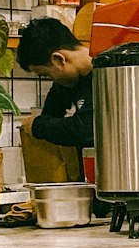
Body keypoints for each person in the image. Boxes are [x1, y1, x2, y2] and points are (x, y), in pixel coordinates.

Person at [16, 17, 94, 150]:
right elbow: (51, 114)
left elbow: (86, 130)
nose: (52, 80)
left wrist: (37, 125)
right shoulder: (70, 80)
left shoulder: (107, 75)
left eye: (46, 74)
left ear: (59, 59)